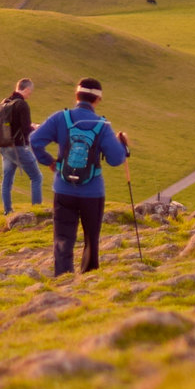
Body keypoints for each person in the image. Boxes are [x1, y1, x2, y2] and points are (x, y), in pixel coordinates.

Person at [30, 77, 128, 277]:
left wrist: (50, 161)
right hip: (93, 192)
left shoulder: (60, 118)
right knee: (91, 237)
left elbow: (34, 140)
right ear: (97, 100)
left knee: (63, 236)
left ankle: (63, 277)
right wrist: (122, 145)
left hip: (63, 188)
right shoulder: (102, 125)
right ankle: (89, 277)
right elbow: (116, 159)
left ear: (76, 95)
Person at [0, 78, 43, 215]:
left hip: (4, 147)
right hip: (18, 147)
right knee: (36, 177)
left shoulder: (4, 103)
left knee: (7, 180)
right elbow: (25, 129)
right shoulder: (22, 105)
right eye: (30, 92)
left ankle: (8, 211)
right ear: (27, 89)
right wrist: (35, 128)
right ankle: (36, 210)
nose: (30, 95)